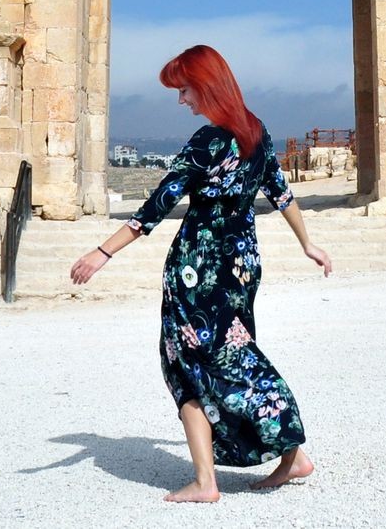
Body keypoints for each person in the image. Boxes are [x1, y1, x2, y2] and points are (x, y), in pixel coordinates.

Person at [69, 44, 332, 502]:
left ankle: (211, 481)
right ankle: (292, 458)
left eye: (184, 89)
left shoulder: (206, 143)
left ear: (205, 86)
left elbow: (155, 207)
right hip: (243, 265)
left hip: (198, 269)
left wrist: (101, 253)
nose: (181, 100)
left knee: (190, 362)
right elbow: (281, 193)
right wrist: (307, 242)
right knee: (231, 354)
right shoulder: (257, 131)